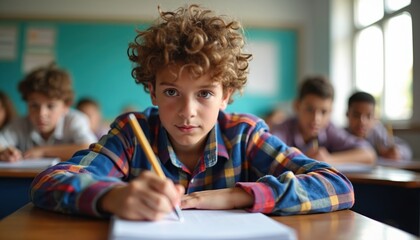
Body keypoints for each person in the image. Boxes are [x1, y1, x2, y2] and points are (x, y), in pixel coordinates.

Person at [30, 4, 354, 221]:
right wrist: (111, 197)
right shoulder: (133, 132)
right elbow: (48, 182)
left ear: (226, 95)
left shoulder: (245, 134)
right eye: (171, 92)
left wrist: (236, 197)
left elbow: (336, 184)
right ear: (152, 91)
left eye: (205, 94)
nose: (188, 112)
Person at [0, 64, 97, 162]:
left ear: (65, 106)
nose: (41, 113)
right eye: (34, 105)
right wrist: (4, 152)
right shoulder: (20, 125)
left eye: (50, 106)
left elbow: (90, 148)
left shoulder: (75, 120)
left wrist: (43, 151)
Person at [271, 75, 376, 166]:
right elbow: (269, 160)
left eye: (324, 112)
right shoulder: (281, 131)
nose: (316, 118)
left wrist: (329, 159)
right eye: (310, 109)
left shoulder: (329, 130)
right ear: (297, 106)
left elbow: (369, 154)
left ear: (331, 111)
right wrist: (301, 161)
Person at [346, 91, 412, 161]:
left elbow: (407, 150)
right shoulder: (340, 136)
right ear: (347, 114)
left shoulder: (377, 133)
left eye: (368, 116)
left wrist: (398, 152)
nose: (362, 121)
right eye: (356, 115)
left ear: (374, 118)